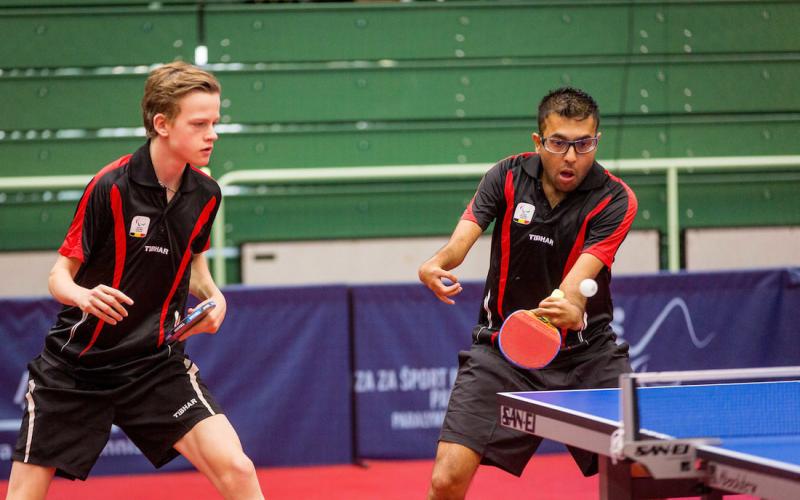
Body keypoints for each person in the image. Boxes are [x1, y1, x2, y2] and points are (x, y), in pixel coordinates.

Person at [6, 61, 263, 500]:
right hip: (77, 368)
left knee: (237, 469)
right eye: (199, 124)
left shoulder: (206, 194)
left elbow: (193, 265)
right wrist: (83, 296)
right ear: (161, 124)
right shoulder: (111, 186)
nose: (213, 134)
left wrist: (215, 296)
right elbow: (59, 276)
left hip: (154, 364)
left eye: (215, 122)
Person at [418, 87, 638, 499]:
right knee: (445, 480)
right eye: (558, 143)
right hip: (503, 349)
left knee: (639, 473)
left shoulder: (615, 199)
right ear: (538, 142)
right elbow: (461, 241)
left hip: (587, 356)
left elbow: (579, 278)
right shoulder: (506, 176)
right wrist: (436, 262)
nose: (570, 156)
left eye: (583, 144)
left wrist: (571, 306)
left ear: (596, 141)